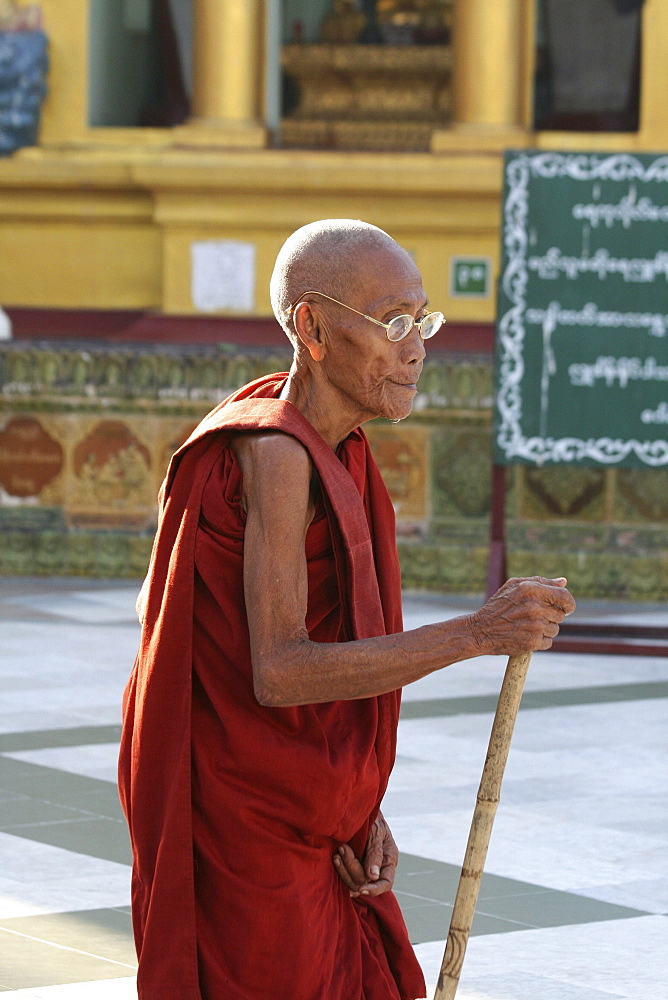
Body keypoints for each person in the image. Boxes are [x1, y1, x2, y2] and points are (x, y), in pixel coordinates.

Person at [118, 219, 575, 1000]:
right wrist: (474, 632)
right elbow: (281, 671)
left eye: (423, 321)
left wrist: (356, 805)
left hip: (310, 820)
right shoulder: (276, 455)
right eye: (394, 322)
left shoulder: (341, 451)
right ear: (314, 329)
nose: (416, 347)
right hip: (249, 827)